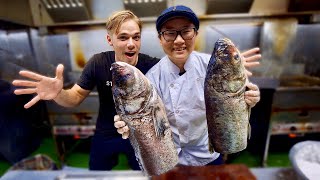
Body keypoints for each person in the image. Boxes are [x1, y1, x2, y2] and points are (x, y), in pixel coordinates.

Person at [12, 10, 160, 170]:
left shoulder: (152, 66)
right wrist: (58, 94)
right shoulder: (99, 63)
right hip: (106, 131)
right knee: (96, 172)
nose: (131, 43)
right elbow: (75, 96)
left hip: (140, 134)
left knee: (146, 173)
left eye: (136, 37)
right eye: (123, 37)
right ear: (110, 40)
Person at [114, 5, 261, 166]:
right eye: (170, 33)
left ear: (195, 34)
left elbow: (237, 99)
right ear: (160, 39)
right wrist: (130, 123)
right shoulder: (152, 79)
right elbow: (147, 118)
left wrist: (249, 98)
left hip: (209, 153)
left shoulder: (214, 66)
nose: (179, 40)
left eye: (186, 31)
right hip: (172, 158)